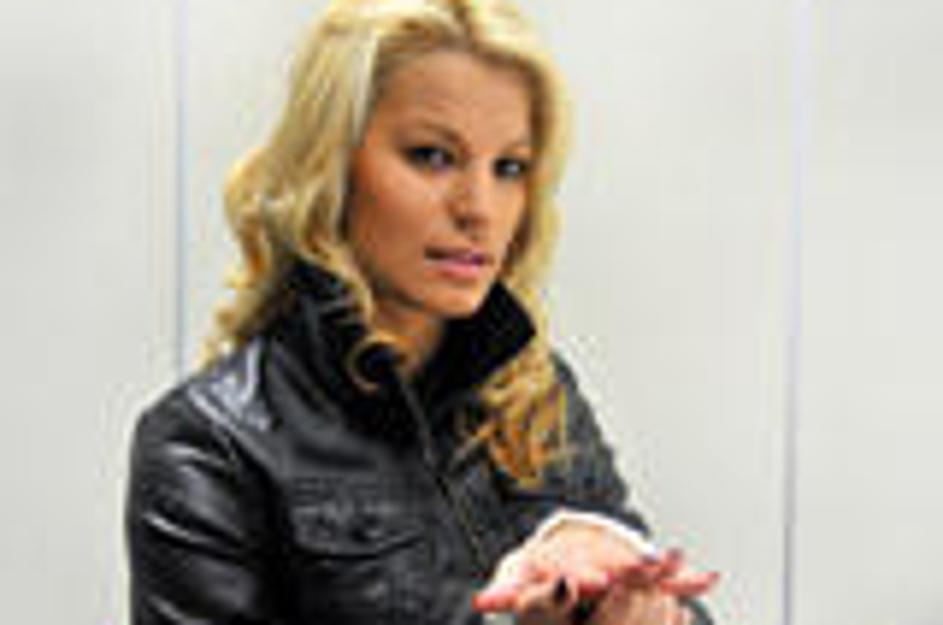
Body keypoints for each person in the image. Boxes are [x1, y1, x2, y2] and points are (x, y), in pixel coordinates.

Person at [125, 0, 720, 624]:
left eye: (509, 168)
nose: (479, 208)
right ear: (331, 165)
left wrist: (642, 606)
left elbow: (666, 598)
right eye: (433, 156)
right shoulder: (210, 444)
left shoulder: (533, 392)